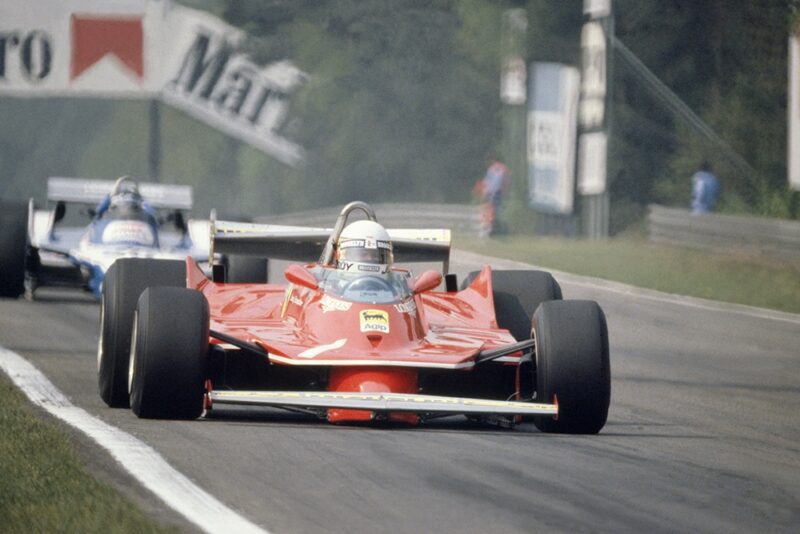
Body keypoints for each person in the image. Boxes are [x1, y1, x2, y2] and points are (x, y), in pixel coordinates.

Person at [474, 156, 510, 237]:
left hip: (491, 193)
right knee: (495, 211)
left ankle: (488, 229)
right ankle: (493, 229)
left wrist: (484, 192)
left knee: (489, 211)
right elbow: (503, 182)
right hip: (498, 192)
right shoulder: (504, 169)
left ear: (493, 160)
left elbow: (488, 182)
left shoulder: (492, 168)